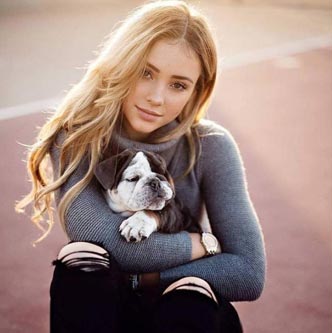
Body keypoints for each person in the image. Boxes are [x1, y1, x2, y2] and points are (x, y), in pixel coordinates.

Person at [15, 1, 265, 332]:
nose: (157, 97)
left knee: (192, 298)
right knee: (81, 266)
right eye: (145, 72)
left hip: (181, 310)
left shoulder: (211, 145)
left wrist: (148, 279)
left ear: (196, 91)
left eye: (178, 84)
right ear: (122, 64)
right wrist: (202, 244)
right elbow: (109, 244)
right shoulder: (78, 135)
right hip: (104, 307)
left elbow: (248, 273)